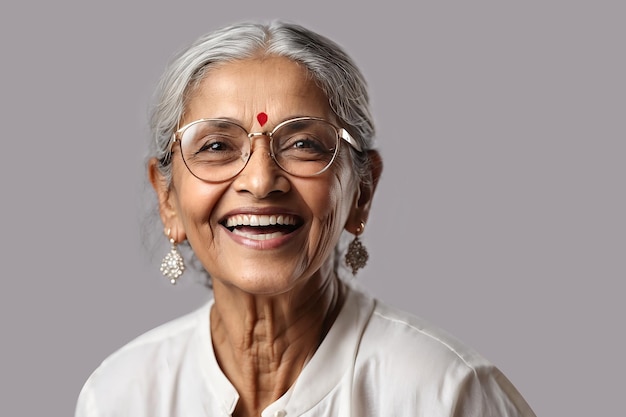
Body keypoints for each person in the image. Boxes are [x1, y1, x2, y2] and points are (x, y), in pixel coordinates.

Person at [75, 21, 536, 417]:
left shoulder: (446, 394)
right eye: (216, 146)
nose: (260, 181)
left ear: (362, 193)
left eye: (303, 144)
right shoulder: (120, 395)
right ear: (168, 199)